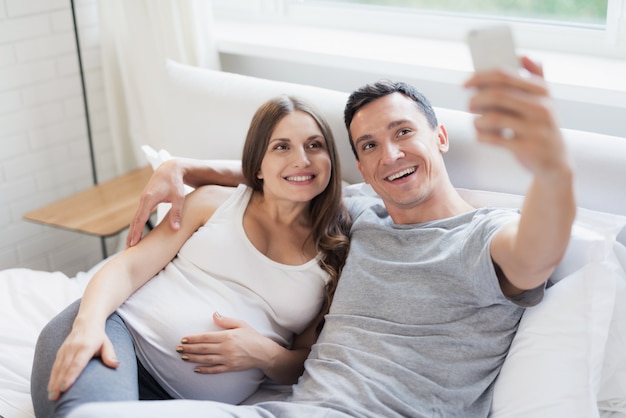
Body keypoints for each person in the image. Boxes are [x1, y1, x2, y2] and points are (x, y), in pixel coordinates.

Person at [69, 56, 576, 418]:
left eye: (404, 132)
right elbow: (290, 175)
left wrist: (552, 169)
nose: (391, 156)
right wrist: (181, 165)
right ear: (359, 167)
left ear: (439, 137)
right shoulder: (358, 216)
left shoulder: (485, 235)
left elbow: (535, 252)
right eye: (370, 146)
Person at [30, 95, 352, 418]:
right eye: (282, 147)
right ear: (257, 166)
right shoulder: (214, 202)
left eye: (314, 145)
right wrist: (88, 326)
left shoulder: (335, 252)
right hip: (118, 335)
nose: (302, 160)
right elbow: (128, 269)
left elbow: (305, 359)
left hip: (192, 405)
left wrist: (265, 354)